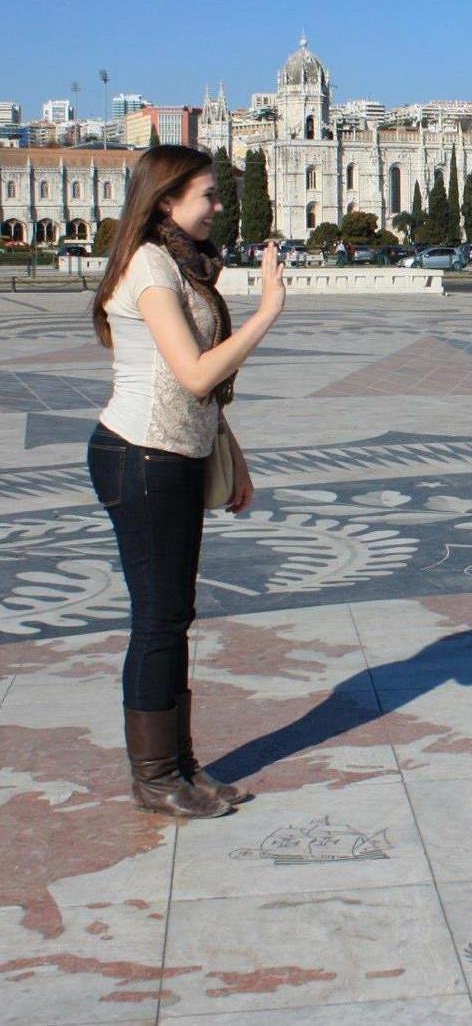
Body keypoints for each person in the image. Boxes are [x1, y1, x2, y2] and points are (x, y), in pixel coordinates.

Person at [89, 145, 288, 817]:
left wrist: (229, 450)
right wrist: (266, 311)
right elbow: (195, 372)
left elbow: (201, 387)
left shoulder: (179, 263)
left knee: (174, 615)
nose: (218, 206)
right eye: (207, 194)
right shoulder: (147, 264)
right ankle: (153, 776)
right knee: (158, 618)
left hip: (177, 450)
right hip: (140, 454)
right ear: (167, 199)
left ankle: (179, 763)